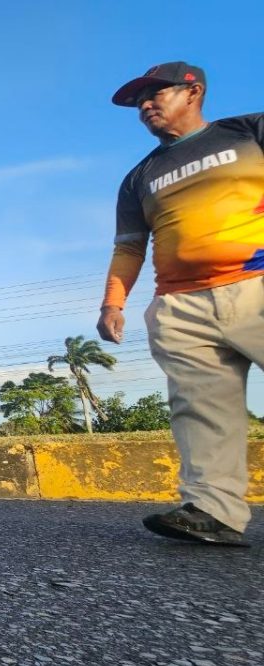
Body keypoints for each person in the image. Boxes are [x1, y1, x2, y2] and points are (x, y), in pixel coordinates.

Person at [99, 61, 264, 547]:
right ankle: (214, 510)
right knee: (200, 409)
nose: (145, 105)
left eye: (155, 93)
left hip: (255, 283)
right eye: (138, 102)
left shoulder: (247, 131)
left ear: (193, 91)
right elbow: (129, 245)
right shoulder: (139, 176)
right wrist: (113, 303)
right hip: (180, 304)